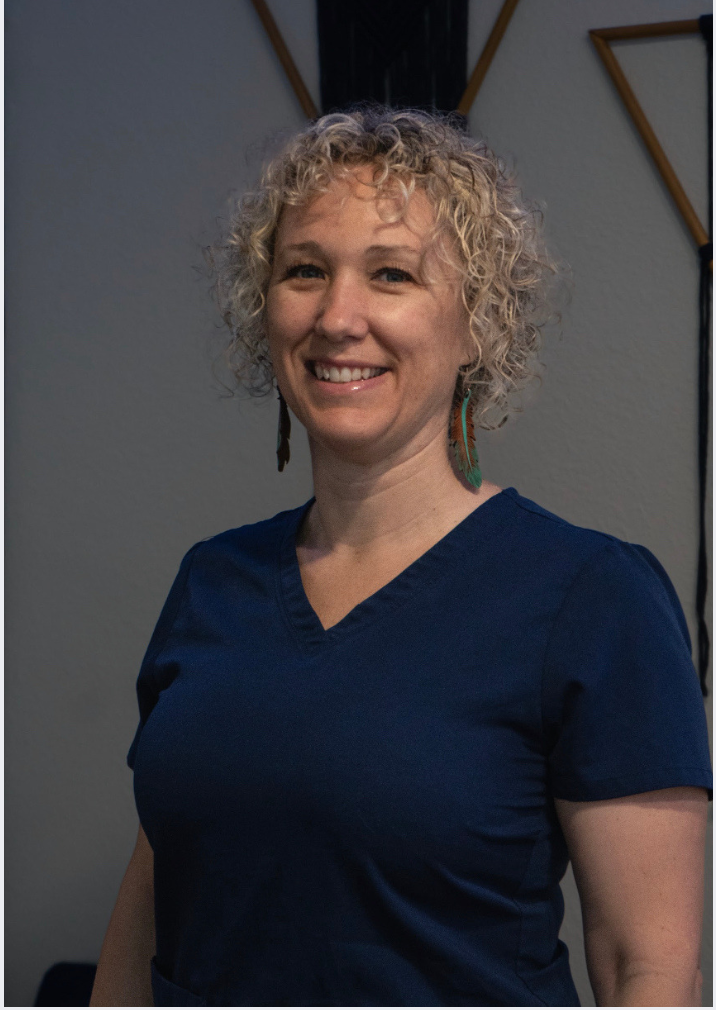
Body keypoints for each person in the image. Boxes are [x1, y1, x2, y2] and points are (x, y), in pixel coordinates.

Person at [90, 106, 712, 1008]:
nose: (338, 317)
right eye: (305, 271)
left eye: (392, 275)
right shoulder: (213, 583)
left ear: (477, 324)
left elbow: (648, 969)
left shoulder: (591, 597)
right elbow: (152, 912)